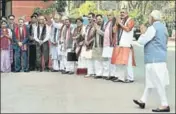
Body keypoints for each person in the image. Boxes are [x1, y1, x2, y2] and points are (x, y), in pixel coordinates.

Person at [133, 10, 170, 112]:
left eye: (149, 17)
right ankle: (143, 100)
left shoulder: (152, 28)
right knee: (150, 82)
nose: (148, 19)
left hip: (153, 59)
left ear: (152, 18)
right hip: (161, 58)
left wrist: (143, 32)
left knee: (158, 82)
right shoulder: (164, 28)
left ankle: (164, 104)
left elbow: (141, 41)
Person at [111, 8, 136, 83]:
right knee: (119, 62)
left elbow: (128, 29)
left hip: (127, 45)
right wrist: (116, 23)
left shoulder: (130, 20)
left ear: (127, 13)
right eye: (120, 12)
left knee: (128, 62)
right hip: (119, 44)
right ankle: (120, 77)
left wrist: (120, 23)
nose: (121, 14)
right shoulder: (120, 21)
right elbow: (114, 31)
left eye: (123, 12)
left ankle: (130, 78)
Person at [101, 11, 117, 80]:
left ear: (113, 15)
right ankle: (106, 74)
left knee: (112, 60)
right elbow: (104, 33)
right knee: (106, 60)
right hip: (105, 44)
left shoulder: (114, 22)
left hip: (111, 44)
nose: (108, 16)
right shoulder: (106, 23)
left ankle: (113, 74)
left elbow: (115, 32)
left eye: (110, 15)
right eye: (107, 15)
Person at [83, 12, 97, 77]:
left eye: (90, 17)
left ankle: (94, 72)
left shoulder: (95, 26)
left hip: (93, 44)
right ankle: (90, 72)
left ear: (94, 18)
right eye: (88, 17)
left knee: (93, 59)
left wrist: (90, 41)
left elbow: (95, 36)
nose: (89, 19)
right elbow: (85, 35)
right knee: (88, 59)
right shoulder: (87, 26)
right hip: (87, 44)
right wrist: (85, 40)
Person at [92, 14, 105, 79]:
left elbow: (104, 34)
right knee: (96, 60)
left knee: (102, 60)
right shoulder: (95, 26)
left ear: (102, 19)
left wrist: (97, 29)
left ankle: (103, 74)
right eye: (97, 19)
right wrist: (94, 28)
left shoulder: (105, 26)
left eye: (100, 19)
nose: (99, 20)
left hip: (102, 45)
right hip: (96, 45)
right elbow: (92, 35)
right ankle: (98, 74)